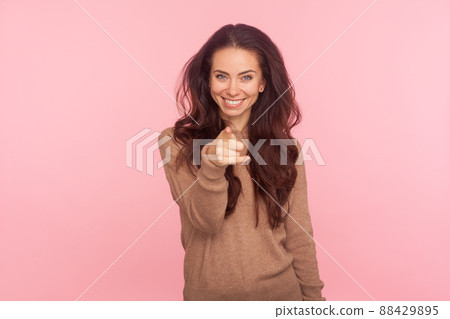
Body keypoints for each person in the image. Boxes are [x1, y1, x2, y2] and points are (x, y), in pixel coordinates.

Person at [158, 23, 325, 301]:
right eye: (222, 76)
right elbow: (206, 222)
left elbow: (299, 235)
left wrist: (313, 304)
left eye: (246, 77)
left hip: (283, 299)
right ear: (208, 80)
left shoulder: (287, 149)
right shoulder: (176, 143)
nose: (232, 89)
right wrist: (212, 165)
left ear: (262, 83)